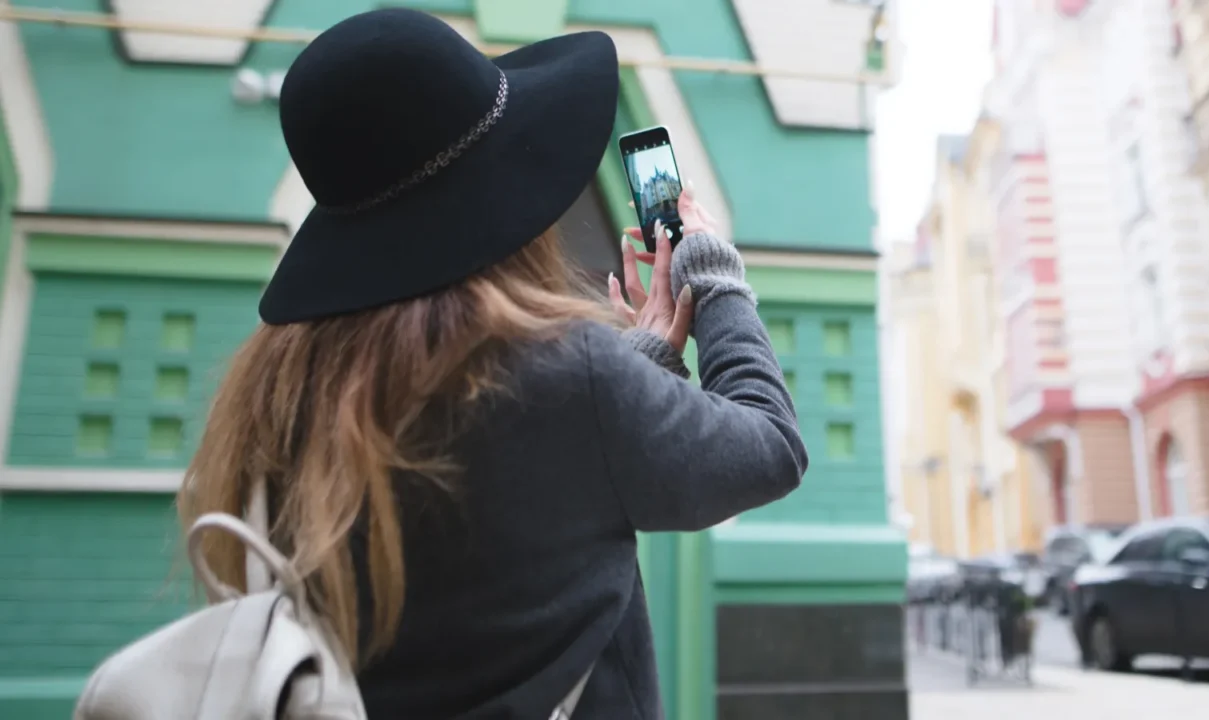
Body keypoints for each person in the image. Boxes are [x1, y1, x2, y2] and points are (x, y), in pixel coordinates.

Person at [177, 8, 807, 719]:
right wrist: (712, 270)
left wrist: (644, 365)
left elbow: (512, 527)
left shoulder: (281, 393)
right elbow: (770, 448)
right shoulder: (569, 376)